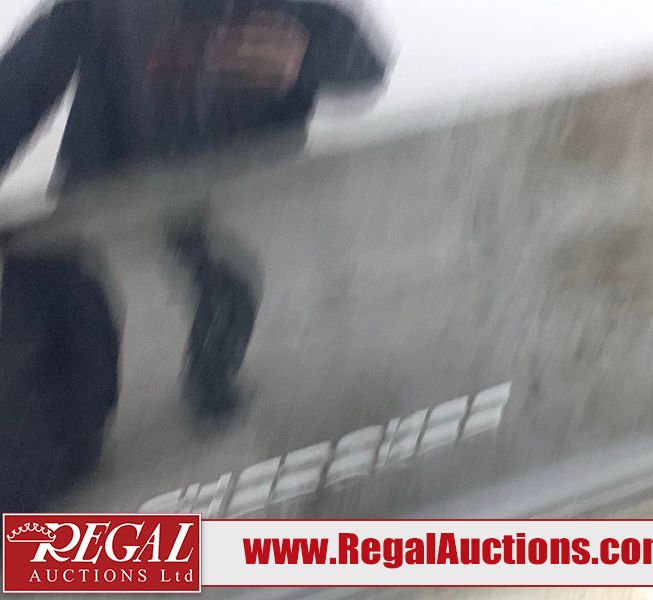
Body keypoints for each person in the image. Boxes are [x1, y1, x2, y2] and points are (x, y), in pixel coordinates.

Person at [0, 0, 389, 512]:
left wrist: (305, 58)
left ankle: (210, 382)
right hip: (106, 184)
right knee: (52, 293)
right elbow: (23, 84)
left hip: (218, 189)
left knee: (223, 282)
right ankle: (53, 452)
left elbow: (364, 64)